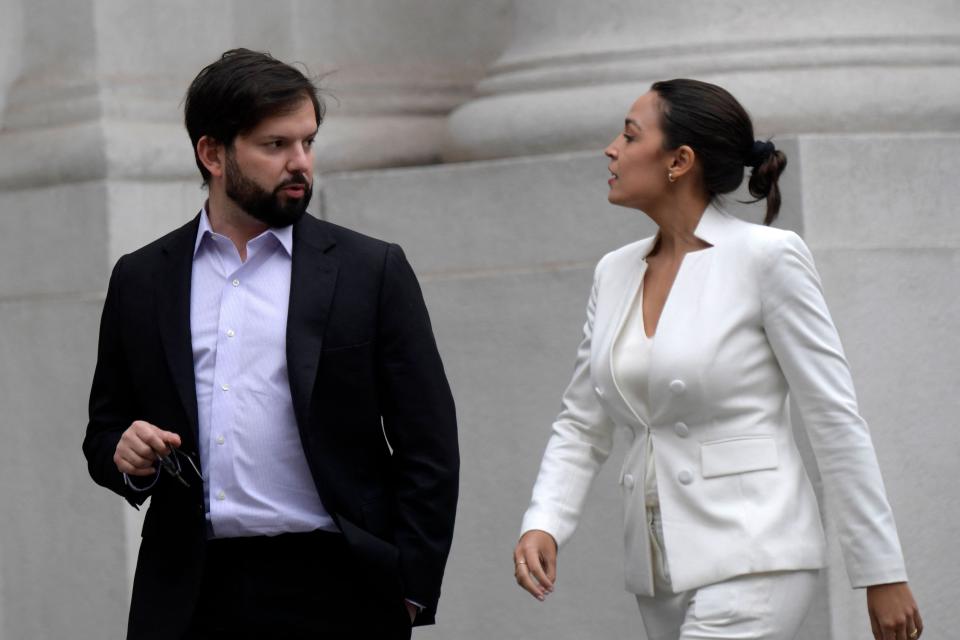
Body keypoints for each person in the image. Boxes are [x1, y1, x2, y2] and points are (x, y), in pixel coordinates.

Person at [513, 79, 921, 640]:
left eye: (630, 136)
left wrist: (882, 571)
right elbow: (582, 422)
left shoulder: (767, 258)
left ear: (679, 160)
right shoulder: (614, 271)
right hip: (658, 569)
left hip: (756, 554)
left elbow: (834, 417)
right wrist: (546, 522)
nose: (611, 148)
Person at [83, 48, 459, 640]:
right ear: (213, 153)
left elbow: (429, 443)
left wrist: (408, 589)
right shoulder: (142, 278)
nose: (300, 163)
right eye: (275, 145)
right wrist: (127, 459)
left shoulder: (370, 269)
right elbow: (105, 430)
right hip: (191, 595)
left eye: (307, 142)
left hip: (340, 590)